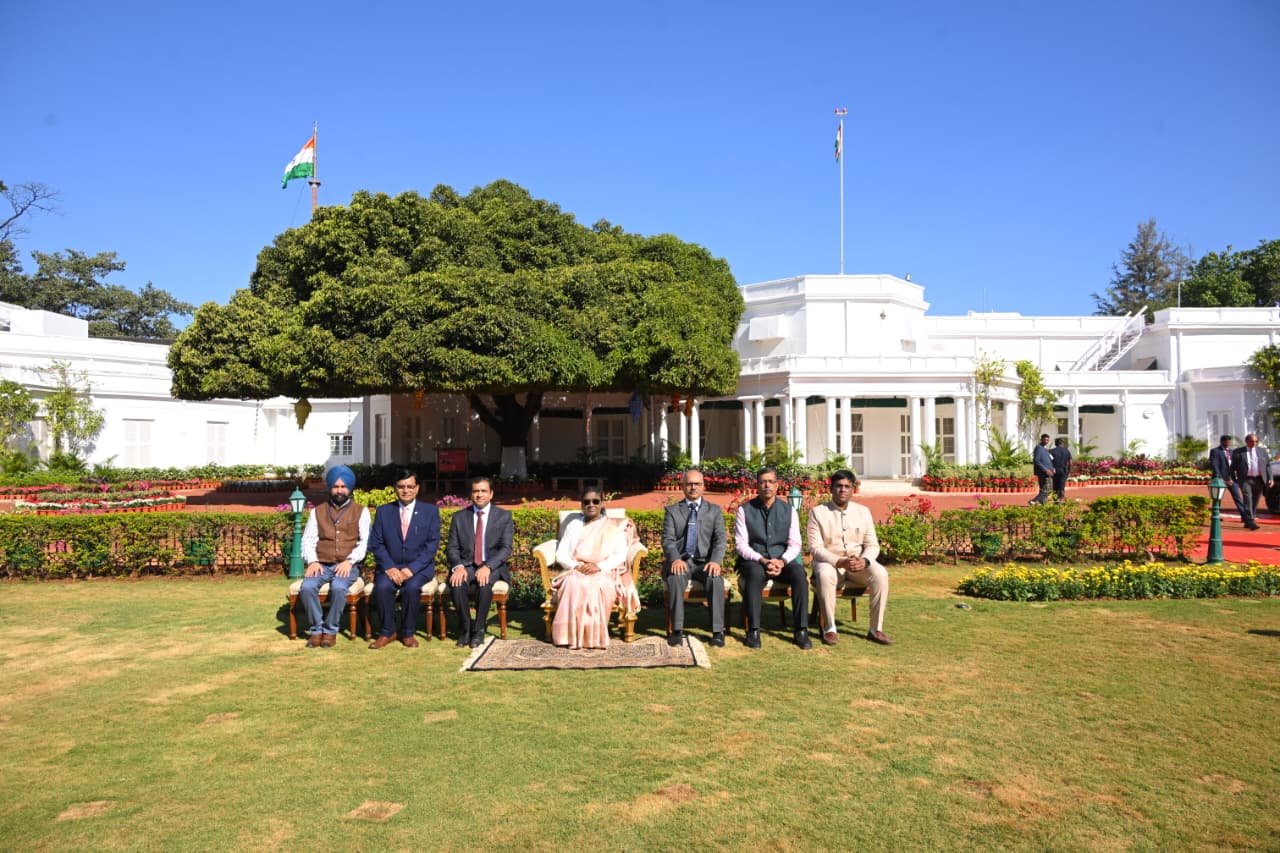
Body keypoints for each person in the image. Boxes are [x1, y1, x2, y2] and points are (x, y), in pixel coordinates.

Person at [808, 469, 891, 646]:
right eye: (839, 486)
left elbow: (872, 545)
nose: (843, 490)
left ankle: (875, 629)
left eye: (847, 486)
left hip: (857, 565)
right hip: (830, 563)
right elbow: (815, 548)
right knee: (824, 573)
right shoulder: (818, 512)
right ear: (831, 488)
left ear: (853, 489)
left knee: (880, 574)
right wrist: (839, 561)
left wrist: (865, 561)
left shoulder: (863, 512)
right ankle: (830, 629)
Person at [550, 489, 640, 650]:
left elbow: (620, 555)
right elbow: (561, 553)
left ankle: (592, 638)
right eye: (586, 502)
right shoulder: (573, 525)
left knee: (597, 585)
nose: (591, 505)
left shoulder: (613, 526)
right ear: (581, 504)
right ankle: (568, 637)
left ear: (602, 503)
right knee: (572, 583)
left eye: (595, 501)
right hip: (577, 568)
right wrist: (576, 566)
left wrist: (598, 566)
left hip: (604, 570)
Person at [734, 467, 811, 649]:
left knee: (799, 574)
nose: (766, 485)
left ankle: (801, 630)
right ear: (757, 485)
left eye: (770, 481)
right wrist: (762, 560)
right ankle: (753, 630)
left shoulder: (789, 510)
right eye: (762, 482)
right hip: (755, 560)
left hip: (781, 560)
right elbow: (741, 545)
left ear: (777, 485)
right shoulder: (744, 510)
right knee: (754, 574)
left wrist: (782, 561)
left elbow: (795, 543)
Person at [367, 469, 441, 649]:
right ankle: (388, 632)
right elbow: (376, 543)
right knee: (383, 587)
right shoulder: (384, 512)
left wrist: (412, 569)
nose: (406, 490)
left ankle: (408, 633)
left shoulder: (430, 511)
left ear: (417, 488)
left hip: (419, 568)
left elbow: (432, 546)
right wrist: (389, 567)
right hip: (390, 567)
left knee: (411, 588)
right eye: (401, 486)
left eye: (410, 486)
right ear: (395, 488)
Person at [298, 465, 372, 648]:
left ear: (350, 488)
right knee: (307, 587)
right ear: (330, 487)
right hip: (322, 564)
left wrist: (350, 561)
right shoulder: (317, 511)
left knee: (339, 587)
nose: (339, 490)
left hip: (348, 565)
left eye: (343, 486)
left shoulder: (361, 511)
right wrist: (312, 561)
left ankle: (330, 630)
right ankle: (316, 630)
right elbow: (308, 540)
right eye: (336, 486)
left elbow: (365, 541)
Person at [660, 469, 727, 647]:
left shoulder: (714, 511)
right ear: (682, 486)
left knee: (716, 580)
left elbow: (720, 540)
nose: (693, 487)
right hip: (681, 562)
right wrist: (675, 559)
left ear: (703, 486)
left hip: (705, 562)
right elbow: (667, 540)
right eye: (689, 484)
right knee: (675, 578)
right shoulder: (672, 511)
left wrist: (715, 561)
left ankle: (718, 631)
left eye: (697, 484)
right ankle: (676, 630)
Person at [445, 476, 514, 647]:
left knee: (485, 584)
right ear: (471, 494)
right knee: (456, 583)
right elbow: (452, 548)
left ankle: (479, 630)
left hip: (492, 565)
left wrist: (488, 566)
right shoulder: (459, 517)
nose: (479, 494)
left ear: (491, 494)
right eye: (476, 491)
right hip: (466, 565)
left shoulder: (503, 516)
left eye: (483, 491)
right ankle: (465, 628)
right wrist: (458, 566)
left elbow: (506, 548)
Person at [1231, 433, 1274, 531]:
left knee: (1255, 500)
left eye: (1256, 441)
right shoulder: (1238, 452)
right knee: (1248, 499)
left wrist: (1270, 478)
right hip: (1245, 480)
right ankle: (1251, 521)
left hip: (1259, 479)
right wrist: (1233, 479)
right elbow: (1233, 467)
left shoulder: (1262, 451)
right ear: (1246, 441)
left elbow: (1267, 465)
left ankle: (1248, 520)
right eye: (1251, 441)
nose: (1254, 443)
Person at [1209, 435, 1246, 524]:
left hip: (1232, 479)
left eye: (1230, 441)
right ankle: (1216, 515)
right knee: (1218, 498)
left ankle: (1244, 516)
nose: (1228, 443)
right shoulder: (1215, 451)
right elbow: (1214, 465)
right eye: (1227, 441)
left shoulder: (1233, 452)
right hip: (1220, 479)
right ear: (1222, 441)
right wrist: (1220, 478)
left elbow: (1237, 465)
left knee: (1238, 497)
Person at [1030, 434, 1054, 505]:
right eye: (1045, 440)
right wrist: (1045, 470)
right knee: (1048, 489)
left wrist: (1053, 468)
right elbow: (1036, 460)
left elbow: (1048, 460)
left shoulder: (1045, 449)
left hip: (1048, 471)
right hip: (1043, 472)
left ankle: (1042, 503)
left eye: (1047, 440)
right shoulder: (1039, 448)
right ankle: (1034, 500)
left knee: (1044, 489)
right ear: (1041, 439)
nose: (1046, 441)